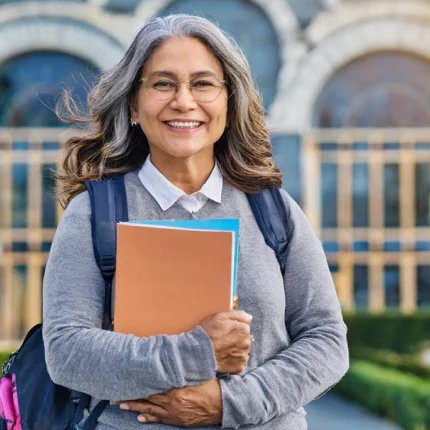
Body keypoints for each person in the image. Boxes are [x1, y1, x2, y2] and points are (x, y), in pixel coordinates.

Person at [43, 14, 349, 430]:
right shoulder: (93, 214)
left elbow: (327, 340)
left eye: (203, 84)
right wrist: (200, 351)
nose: (184, 101)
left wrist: (227, 404)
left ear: (228, 101)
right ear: (134, 104)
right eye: (163, 83)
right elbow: (67, 353)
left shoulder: (274, 210)